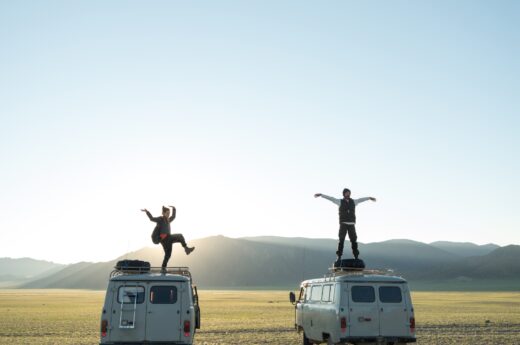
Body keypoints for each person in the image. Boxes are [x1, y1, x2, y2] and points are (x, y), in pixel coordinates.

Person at [314, 189, 376, 262]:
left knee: (354, 241)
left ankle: (356, 256)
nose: (348, 194)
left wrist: (369, 198)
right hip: (343, 224)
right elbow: (331, 198)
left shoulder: (354, 202)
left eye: (349, 193)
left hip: (351, 224)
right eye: (347, 193)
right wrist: (321, 195)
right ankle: (339, 256)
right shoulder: (339, 201)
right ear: (344, 194)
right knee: (341, 240)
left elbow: (361, 200)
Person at [141, 205, 195, 269]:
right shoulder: (160, 219)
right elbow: (151, 218)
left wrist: (174, 209)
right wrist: (147, 212)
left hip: (167, 240)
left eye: (169, 213)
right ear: (163, 213)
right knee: (180, 236)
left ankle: (163, 268)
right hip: (164, 238)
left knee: (168, 255)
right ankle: (186, 248)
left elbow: (173, 216)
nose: (168, 215)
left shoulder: (168, 220)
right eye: (167, 213)